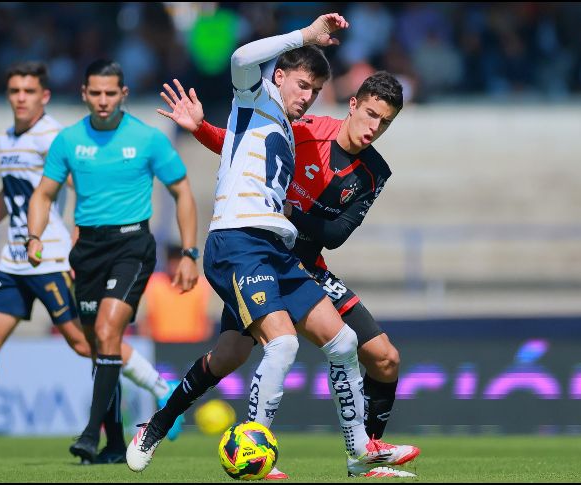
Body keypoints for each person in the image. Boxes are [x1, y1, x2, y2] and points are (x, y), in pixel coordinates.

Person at [127, 14, 419, 478]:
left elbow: (240, 148)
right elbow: (242, 58)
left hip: (278, 250)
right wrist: (304, 36)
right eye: (301, 85)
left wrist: (205, 132)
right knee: (281, 343)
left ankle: (359, 450)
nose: (306, 97)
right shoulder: (257, 97)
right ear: (278, 76)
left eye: (314, 91)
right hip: (239, 241)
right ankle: (254, 445)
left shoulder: (287, 126)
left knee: (335, 342)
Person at [0, 61, 184, 463]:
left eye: (29, 91)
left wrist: (81, 233)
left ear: (44, 96)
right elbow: (11, 193)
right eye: (14, 91)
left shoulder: (55, 136)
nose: (21, 98)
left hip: (50, 258)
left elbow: (84, 183)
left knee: (88, 343)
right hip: (15, 260)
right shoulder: (7, 139)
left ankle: (161, 390)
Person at [25, 59, 199, 465]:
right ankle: (116, 445)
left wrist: (190, 253)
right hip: (87, 250)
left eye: (110, 93)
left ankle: (90, 434)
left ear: (123, 94)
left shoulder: (147, 139)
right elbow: (43, 194)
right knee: (99, 346)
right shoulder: (68, 141)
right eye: (96, 93)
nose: (103, 100)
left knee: (106, 331)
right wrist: (33, 237)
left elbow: (182, 191)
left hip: (131, 245)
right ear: (84, 94)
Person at [140, 243, 213, 343]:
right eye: (172, 261)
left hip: (193, 345)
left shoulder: (201, 285)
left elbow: (208, 322)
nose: (174, 266)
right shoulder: (154, 284)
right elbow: (145, 322)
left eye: (178, 261)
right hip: (161, 346)